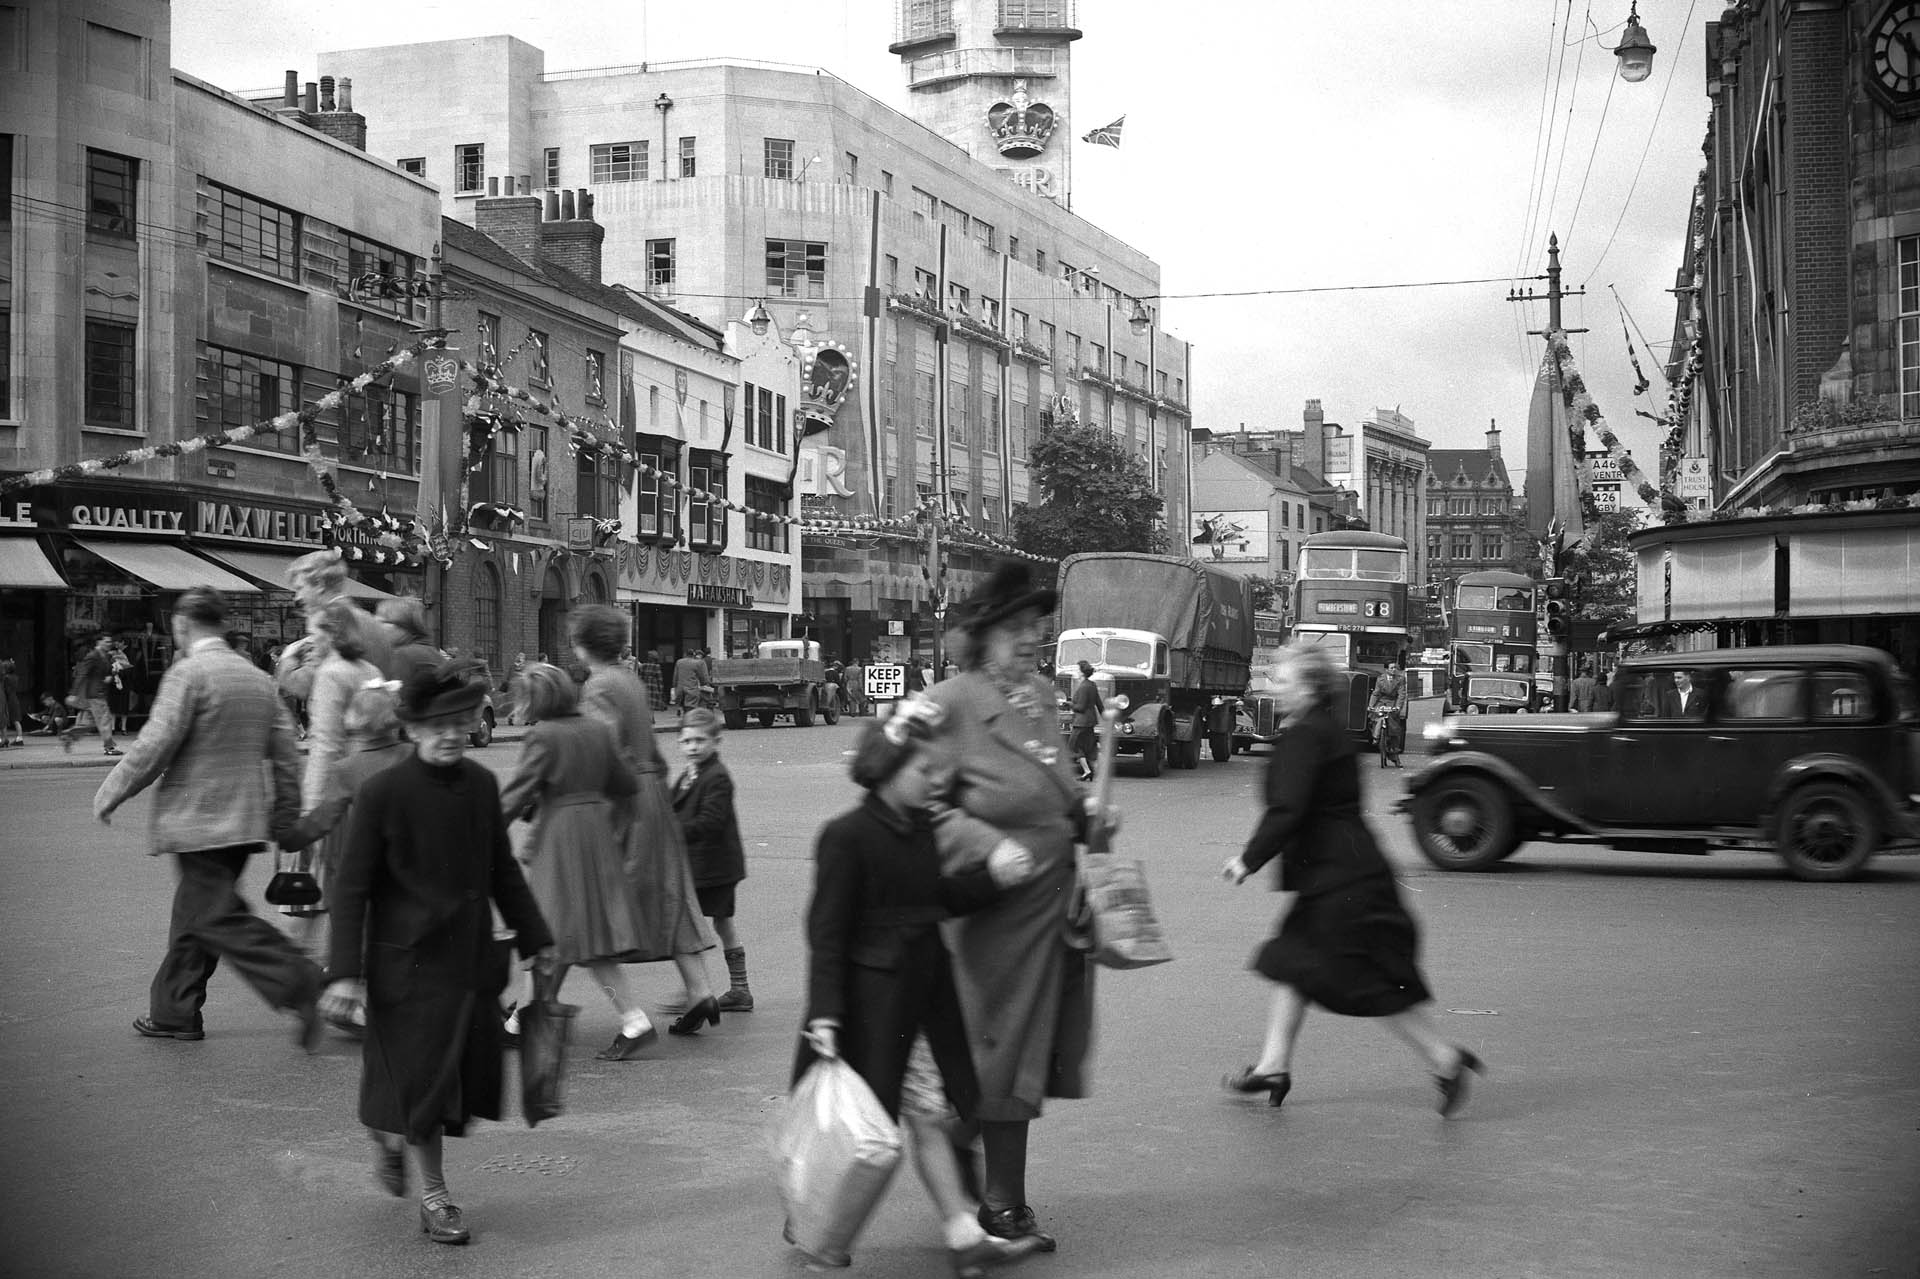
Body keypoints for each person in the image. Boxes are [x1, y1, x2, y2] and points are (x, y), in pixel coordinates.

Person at [790, 703, 1043, 1277]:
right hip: (869, 1008)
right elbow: (825, 933)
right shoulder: (846, 835)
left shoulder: (920, 829)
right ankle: (823, 1239)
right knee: (870, 1135)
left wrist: (992, 882)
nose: (935, 781)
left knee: (926, 1116)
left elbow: (939, 899)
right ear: (886, 768)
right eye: (922, 770)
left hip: (921, 998)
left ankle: (960, 1235)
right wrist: (827, 1012)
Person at [321, 658, 555, 1246]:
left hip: (471, 961)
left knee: (455, 1079)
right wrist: (343, 974)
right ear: (413, 729)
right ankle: (436, 1195)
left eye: (462, 719)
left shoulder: (480, 784)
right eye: (437, 724)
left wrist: (537, 942)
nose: (452, 733)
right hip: (408, 966)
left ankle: (390, 1132)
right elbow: (351, 888)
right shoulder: (381, 794)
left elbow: (503, 870)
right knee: (427, 1084)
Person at [1220, 640, 1485, 1116]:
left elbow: (1289, 809)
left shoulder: (1306, 736)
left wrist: (1248, 859)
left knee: (1367, 981)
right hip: (1344, 874)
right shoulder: (1327, 730)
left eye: (1282, 680)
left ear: (1309, 687)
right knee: (1290, 962)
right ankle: (1273, 1065)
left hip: (1339, 882)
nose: (1273, 687)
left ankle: (1445, 1060)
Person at [923, 559, 1103, 1253]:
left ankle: (1002, 1197)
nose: (1034, 637)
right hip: (989, 918)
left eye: (1037, 625)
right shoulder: (949, 703)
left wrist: (1086, 816)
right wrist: (987, 845)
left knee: (1026, 1055)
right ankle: (977, 1187)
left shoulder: (1038, 695)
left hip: (1050, 908)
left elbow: (1054, 783)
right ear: (983, 634)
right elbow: (921, 805)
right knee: (994, 1057)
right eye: (1018, 627)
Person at [91, 586, 324, 1049]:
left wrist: (111, 792)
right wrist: (284, 817)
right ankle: (173, 1010)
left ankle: (300, 980)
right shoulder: (258, 680)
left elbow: (156, 744)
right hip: (244, 825)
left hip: (198, 823)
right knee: (195, 916)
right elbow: (285, 757)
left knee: (215, 916)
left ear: (182, 625)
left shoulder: (189, 674)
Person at [570, 606, 721, 1033]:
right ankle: (700, 991)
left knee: (593, 907)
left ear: (582, 644)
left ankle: (536, 1008)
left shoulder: (599, 685)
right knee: (668, 896)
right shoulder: (630, 680)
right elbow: (651, 747)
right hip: (652, 792)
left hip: (624, 799)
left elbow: (604, 751)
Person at [499, 663, 659, 1062]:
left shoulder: (543, 735)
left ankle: (530, 1019)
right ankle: (527, 1017)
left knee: (554, 931)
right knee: (585, 938)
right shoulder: (597, 730)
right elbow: (625, 784)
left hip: (560, 837)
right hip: (595, 834)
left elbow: (517, 794)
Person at [672, 709, 753, 1012]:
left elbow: (711, 822)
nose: (693, 746)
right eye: (686, 740)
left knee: (693, 925)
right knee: (719, 923)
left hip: (715, 865)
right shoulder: (689, 774)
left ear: (716, 741)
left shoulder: (716, 777)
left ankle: (697, 990)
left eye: (700, 740)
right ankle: (738, 989)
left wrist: (673, 832)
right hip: (702, 864)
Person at [62, 635, 120, 756]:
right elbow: (82, 674)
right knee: (105, 719)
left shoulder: (106, 656)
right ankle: (109, 747)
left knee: (90, 723)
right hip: (95, 694)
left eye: (110, 642)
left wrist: (111, 675)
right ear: (99, 642)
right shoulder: (93, 656)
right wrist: (73, 693)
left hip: (98, 693)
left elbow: (107, 671)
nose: (109, 644)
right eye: (107, 641)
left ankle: (69, 735)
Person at [377, 597, 443, 686]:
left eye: (382, 622)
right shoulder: (431, 651)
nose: (376, 627)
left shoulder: (405, 655)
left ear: (403, 626)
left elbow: (398, 697)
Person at [1367, 659, 1410, 766]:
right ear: (1386, 669)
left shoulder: (1400, 679)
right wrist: (1371, 705)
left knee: (1394, 728)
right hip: (1381, 702)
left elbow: (1401, 694)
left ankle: (1393, 752)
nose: (1394, 670)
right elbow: (1376, 693)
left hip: (1393, 703)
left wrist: (1398, 707)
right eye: (1391, 668)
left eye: (1395, 668)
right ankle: (1377, 736)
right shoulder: (1380, 679)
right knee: (1376, 716)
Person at [1067, 660, 1103, 783]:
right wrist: (1105, 716)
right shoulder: (1092, 685)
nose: (1076, 672)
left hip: (1081, 722)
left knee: (1075, 746)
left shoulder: (1083, 686)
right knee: (1090, 746)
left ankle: (1087, 771)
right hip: (1091, 721)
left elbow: (1080, 707)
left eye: (1077, 669)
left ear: (1082, 672)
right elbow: (1099, 703)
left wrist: (1068, 704)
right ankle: (1093, 771)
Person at [672, 649, 709, 721]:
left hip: (680, 689)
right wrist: (704, 684)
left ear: (685, 654)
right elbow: (703, 677)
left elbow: (675, 676)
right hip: (691, 689)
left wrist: (674, 686)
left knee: (684, 707)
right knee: (691, 708)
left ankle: (686, 720)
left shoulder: (679, 662)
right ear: (693, 655)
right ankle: (690, 722)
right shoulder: (698, 663)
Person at [0, 655, 25, 747]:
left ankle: (4, 738)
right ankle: (20, 737)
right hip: (14, 698)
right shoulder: (15, 677)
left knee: (4, 719)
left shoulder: (5, 678)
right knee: (16, 720)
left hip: (8, 699)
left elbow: (5, 689)